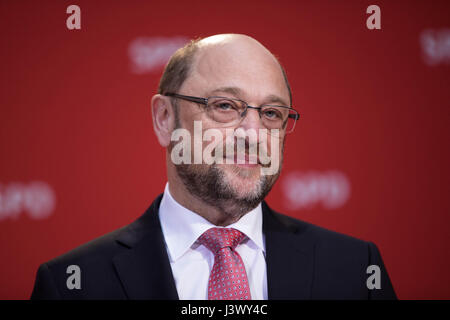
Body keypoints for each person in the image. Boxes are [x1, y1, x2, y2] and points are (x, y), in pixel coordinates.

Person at [31, 34, 396, 300]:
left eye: (271, 114)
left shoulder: (355, 268)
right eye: (224, 106)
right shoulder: (72, 285)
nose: (253, 134)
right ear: (164, 118)